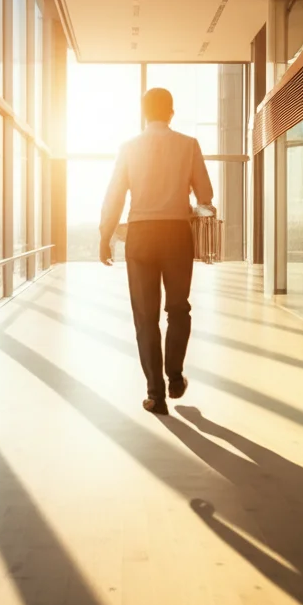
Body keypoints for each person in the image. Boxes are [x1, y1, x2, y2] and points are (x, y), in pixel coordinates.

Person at [100, 87, 214, 415]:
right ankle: (175, 376)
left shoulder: (128, 148)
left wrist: (105, 235)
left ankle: (156, 394)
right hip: (177, 234)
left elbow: (115, 197)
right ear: (172, 112)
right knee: (178, 309)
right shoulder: (188, 145)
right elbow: (205, 193)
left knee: (145, 317)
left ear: (144, 112)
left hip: (141, 237)